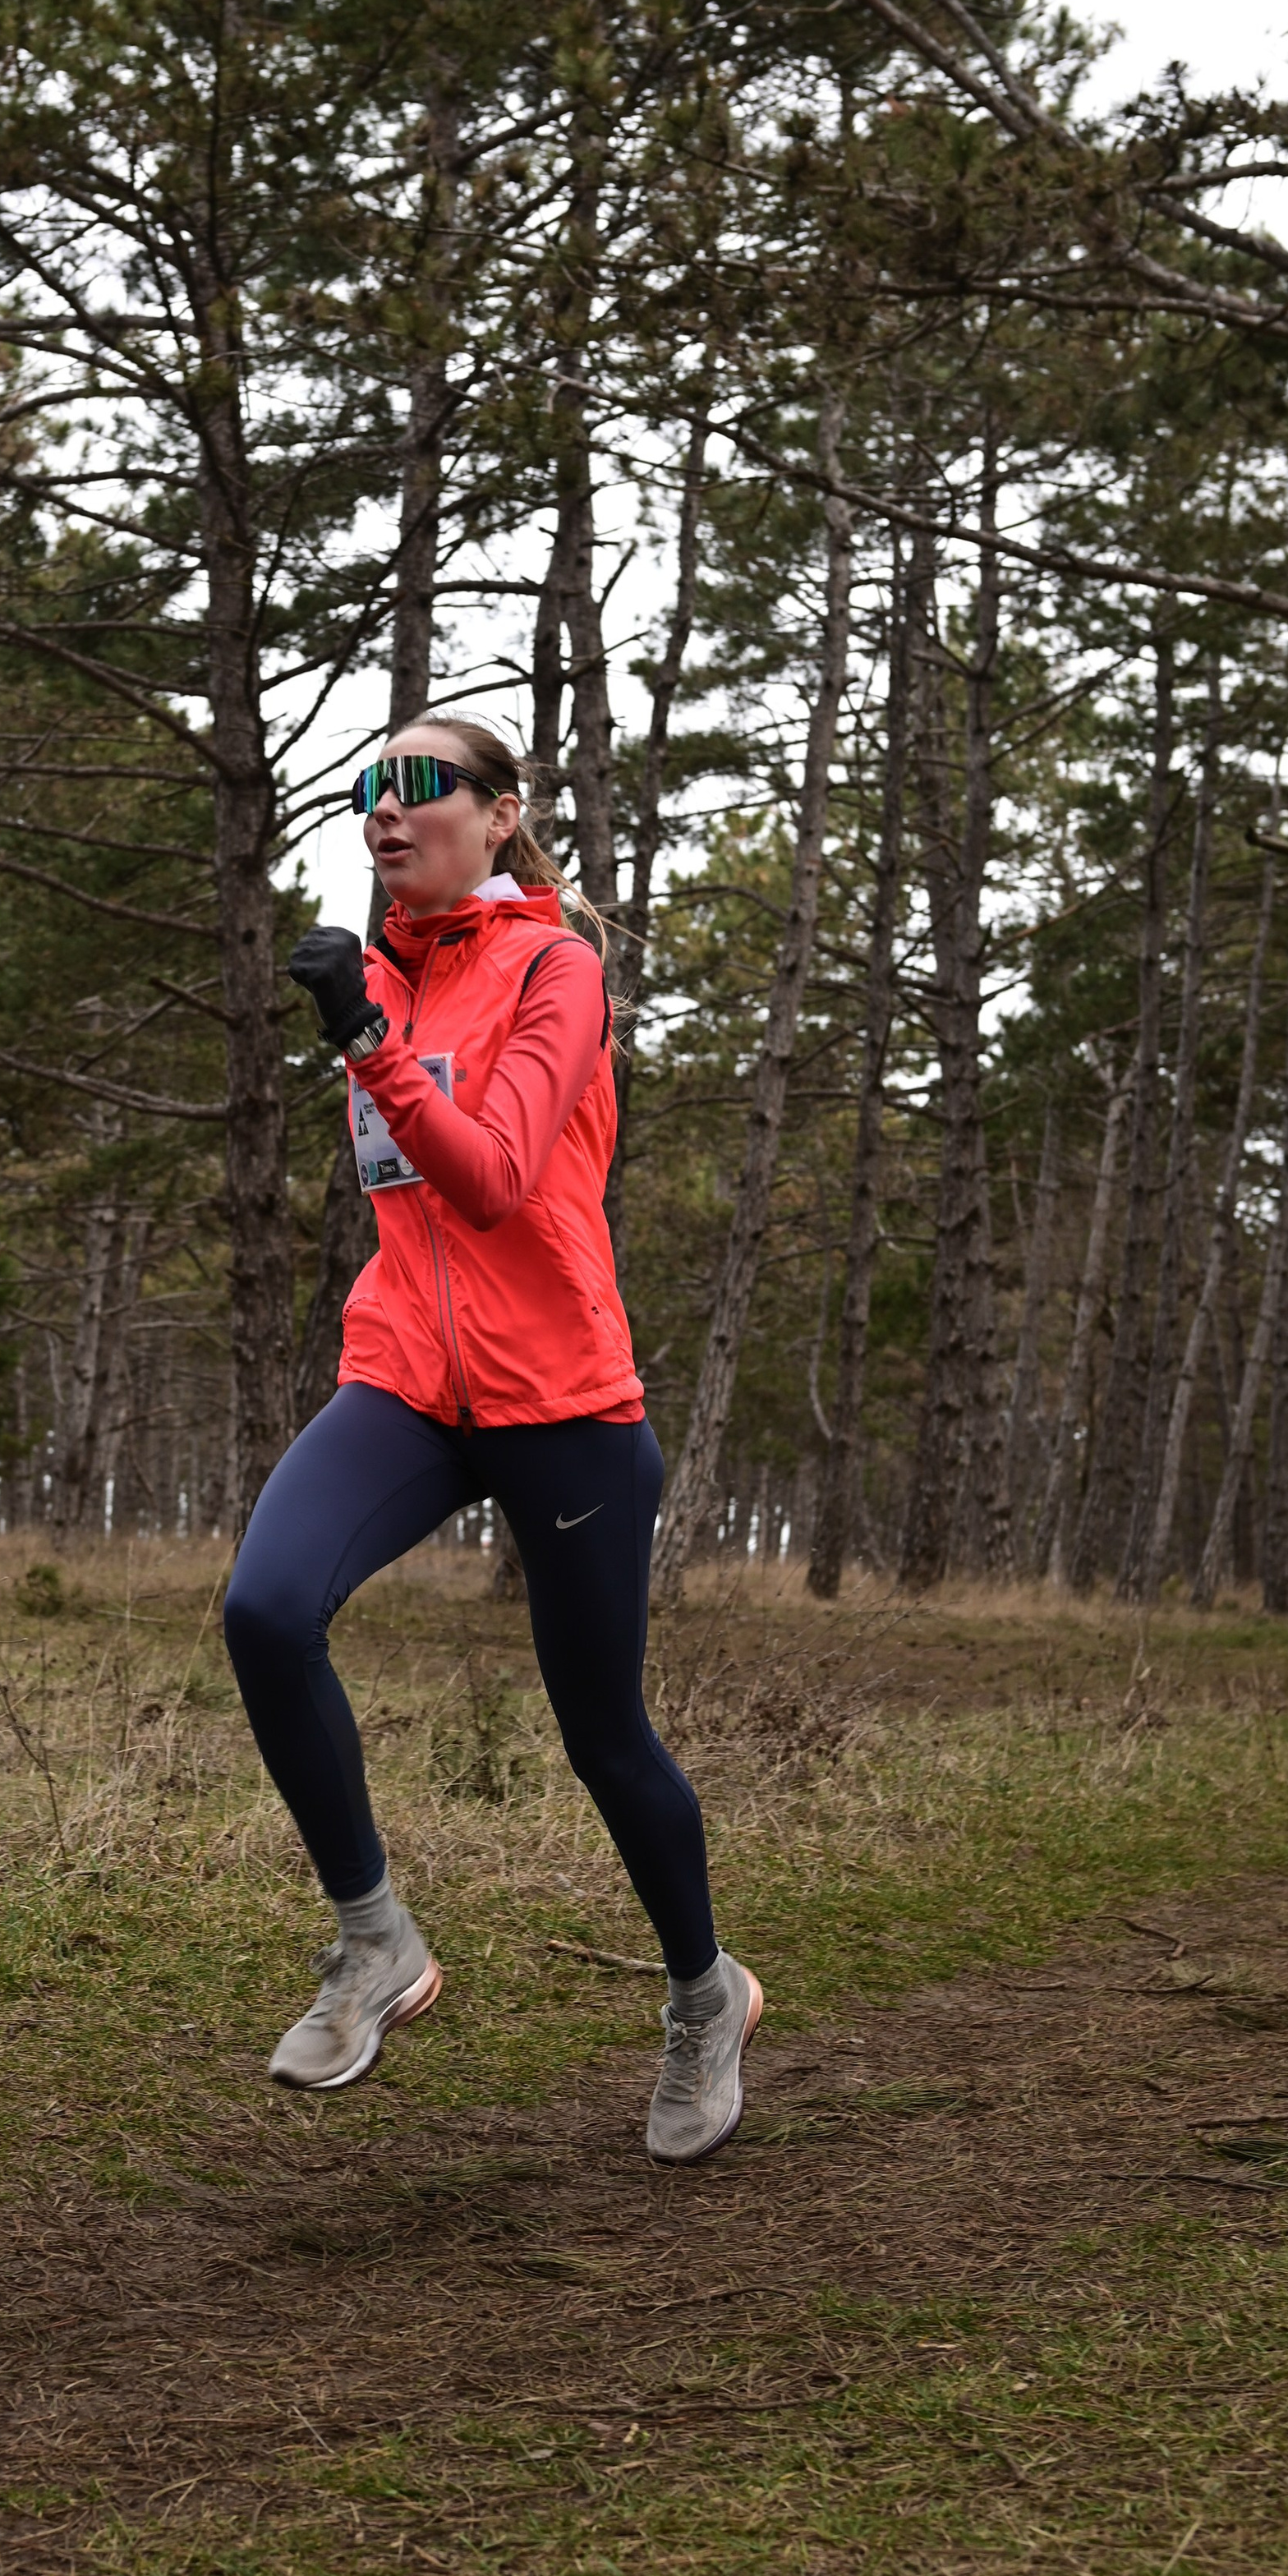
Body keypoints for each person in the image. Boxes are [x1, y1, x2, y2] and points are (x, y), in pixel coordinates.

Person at [223, 716, 761, 2164]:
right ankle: (373, 1941)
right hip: (405, 1374)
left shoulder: (555, 969)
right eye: (363, 794)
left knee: (603, 1737)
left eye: (419, 789)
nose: (385, 815)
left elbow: (500, 1176)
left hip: (562, 1401)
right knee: (266, 1610)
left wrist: (367, 1044)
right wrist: (375, 1022)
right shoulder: (382, 970)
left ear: (499, 812)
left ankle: (706, 1997)